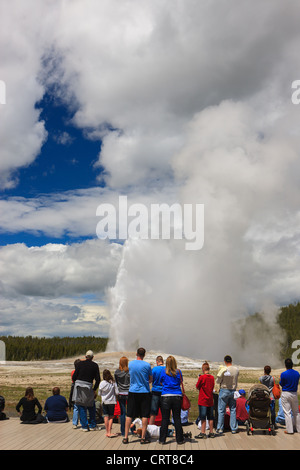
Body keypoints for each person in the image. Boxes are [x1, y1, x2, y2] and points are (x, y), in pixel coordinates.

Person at [123, 347, 152, 445]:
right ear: (144, 355)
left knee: (129, 415)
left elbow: (128, 374)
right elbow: (150, 379)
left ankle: (126, 437)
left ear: (136, 354)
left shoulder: (130, 364)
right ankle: (143, 438)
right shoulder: (147, 365)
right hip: (144, 392)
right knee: (144, 415)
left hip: (133, 391)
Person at [72, 350, 101, 432]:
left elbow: (74, 377)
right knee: (91, 405)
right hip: (88, 386)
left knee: (81, 406)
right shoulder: (95, 365)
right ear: (92, 357)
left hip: (79, 387)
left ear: (85, 356)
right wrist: (94, 389)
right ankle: (92, 425)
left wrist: (76, 382)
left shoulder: (80, 364)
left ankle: (84, 426)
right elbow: (98, 379)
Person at [159, 355, 185, 445]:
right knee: (177, 418)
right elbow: (180, 382)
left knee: (165, 418)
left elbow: (160, 382)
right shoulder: (179, 372)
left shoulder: (163, 371)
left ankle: (162, 440)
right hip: (177, 396)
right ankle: (180, 439)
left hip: (166, 396)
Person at [216, 355, 239, 434]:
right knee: (233, 409)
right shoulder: (236, 369)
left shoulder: (224, 369)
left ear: (225, 361)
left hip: (224, 390)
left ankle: (220, 428)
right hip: (233, 390)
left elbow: (218, 381)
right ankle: (233, 428)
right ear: (231, 361)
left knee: (221, 410)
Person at [279, 358, 300, 434]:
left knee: (287, 412)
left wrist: (280, 380)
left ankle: (290, 430)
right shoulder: (297, 373)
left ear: (285, 365)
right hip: (294, 393)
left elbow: (281, 384)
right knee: (296, 412)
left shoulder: (283, 374)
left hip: (286, 393)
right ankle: (298, 429)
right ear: (292, 365)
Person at [195, 361, 215, 439]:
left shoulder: (202, 377)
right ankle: (211, 432)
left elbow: (197, 386)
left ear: (203, 369)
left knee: (203, 417)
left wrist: (198, 379)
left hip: (203, 399)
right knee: (210, 417)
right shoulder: (212, 377)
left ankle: (203, 432)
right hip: (210, 399)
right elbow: (212, 386)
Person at [98, 369, 119, 437]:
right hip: (112, 401)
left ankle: (107, 431)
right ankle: (109, 431)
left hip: (104, 401)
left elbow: (99, 393)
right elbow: (117, 392)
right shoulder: (113, 382)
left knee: (106, 416)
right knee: (111, 417)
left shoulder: (102, 383)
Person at [114, 356, 130, 436]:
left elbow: (116, 383)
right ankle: (132, 429)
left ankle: (123, 432)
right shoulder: (129, 371)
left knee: (123, 413)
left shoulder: (117, 372)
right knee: (130, 412)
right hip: (129, 393)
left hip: (120, 393)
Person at [149, 355, 165, 425]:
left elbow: (151, 379)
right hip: (164, 391)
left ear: (157, 362)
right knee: (164, 412)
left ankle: (150, 428)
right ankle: (165, 428)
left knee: (153, 412)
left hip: (155, 391)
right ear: (163, 361)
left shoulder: (154, 369)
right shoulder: (166, 369)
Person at [69, 358, 81, 428]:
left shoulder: (72, 372)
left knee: (75, 406)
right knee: (81, 405)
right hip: (79, 386)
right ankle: (82, 422)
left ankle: (75, 423)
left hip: (73, 386)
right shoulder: (81, 372)